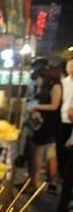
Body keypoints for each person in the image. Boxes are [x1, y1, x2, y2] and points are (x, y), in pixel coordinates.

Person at [28, 65, 62, 194]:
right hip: (44, 123)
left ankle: (37, 183)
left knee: (44, 153)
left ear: (42, 77)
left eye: (37, 79)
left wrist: (36, 107)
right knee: (47, 153)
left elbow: (54, 106)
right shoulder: (46, 87)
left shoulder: (55, 85)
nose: (36, 82)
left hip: (50, 124)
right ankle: (40, 182)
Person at [58, 57, 73, 212]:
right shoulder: (63, 82)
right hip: (62, 121)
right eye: (70, 64)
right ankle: (63, 210)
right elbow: (70, 110)